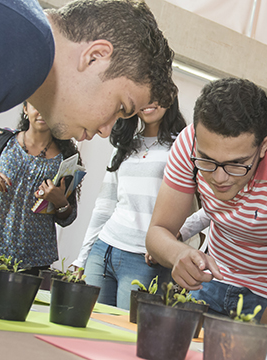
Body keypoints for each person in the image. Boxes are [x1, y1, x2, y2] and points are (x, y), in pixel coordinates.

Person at [145, 78, 267, 351]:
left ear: (264, 146)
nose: (218, 178)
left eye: (236, 164)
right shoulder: (189, 143)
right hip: (213, 282)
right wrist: (177, 254)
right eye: (207, 160)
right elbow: (158, 232)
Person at [0, 0, 176, 160]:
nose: (105, 130)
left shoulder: (18, 23)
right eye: (121, 108)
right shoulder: (26, 42)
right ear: (95, 57)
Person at [71, 98, 187, 310]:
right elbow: (105, 205)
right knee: (90, 327)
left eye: (157, 95)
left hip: (145, 259)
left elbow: (195, 207)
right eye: (144, 96)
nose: (150, 102)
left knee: (127, 334)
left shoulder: (181, 147)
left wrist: (176, 239)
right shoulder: (125, 145)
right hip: (104, 250)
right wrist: (82, 256)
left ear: (169, 98)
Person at [0, 101, 81, 274]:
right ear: (25, 109)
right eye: (36, 106)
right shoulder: (4, 142)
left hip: (32, 260)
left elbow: (68, 217)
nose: (42, 113)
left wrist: (60, 201)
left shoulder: (67, 159)